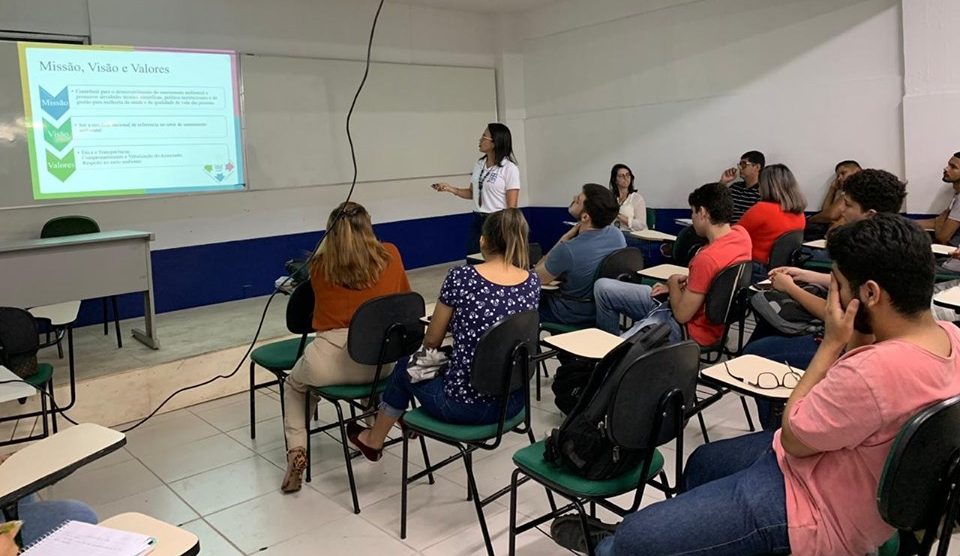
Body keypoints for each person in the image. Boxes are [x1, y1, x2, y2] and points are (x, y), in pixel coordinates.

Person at [553, 214, 960, 556]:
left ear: (870, 294)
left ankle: (618, 545)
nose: (832, 292)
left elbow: (795, 436)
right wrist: (857, 334)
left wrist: (832, 342)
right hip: (836, 471)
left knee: (633, 540)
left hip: (815, 509)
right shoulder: (951, 337)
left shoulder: (873, 371)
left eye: (836, 283)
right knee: (703, 462)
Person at [347, 209, 540, 459]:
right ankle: (398, 420)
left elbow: (432, 341)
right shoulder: (532, 281)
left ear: (483, 240)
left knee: (407, 366)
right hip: (513, 401)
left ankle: (374, 439)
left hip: (465, 407)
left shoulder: (461, 277)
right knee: (440, 361)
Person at [744, 169, 907, 428]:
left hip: (854, 345)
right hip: (874, 342)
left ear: (870, 215)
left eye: (848, 205)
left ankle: (777, 430)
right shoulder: (895, 244)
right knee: (769, 324)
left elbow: (839, 317)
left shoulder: (866, 256)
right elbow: (848, 285)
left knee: (755, 354)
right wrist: (807, 275)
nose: (841, 211)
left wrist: (791, 288)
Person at [280, 202, 411, 493]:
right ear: (369, 225)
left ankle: (297, 451)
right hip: (380, 361)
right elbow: (404, 299)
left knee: (295, 386)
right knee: (369, 377)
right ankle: (375, 424)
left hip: (330, 363)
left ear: (330, 232)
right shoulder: (391, 254)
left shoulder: (319, 266)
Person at [593, 182, 752, 344]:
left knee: (613, 351)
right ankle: (613, 341)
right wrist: (678, 287)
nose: (692, 218)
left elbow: (682, 315)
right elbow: (715, 280)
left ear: (703, 213)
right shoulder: (741, 236)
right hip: (685, 304)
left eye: (693, 212)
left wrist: (673, 282)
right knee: (602, 287)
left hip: (685, 328)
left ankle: (610, 351)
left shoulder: (707, 259)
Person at [536, 184, 625, 327]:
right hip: (605, 310)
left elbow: (537, 277)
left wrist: (563, 239)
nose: (573, 198)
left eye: (577, 200)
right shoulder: (617, 235)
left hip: (571, 314)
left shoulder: (568, 249)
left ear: (585, 217)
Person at [431, 123, 520, 254]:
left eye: (484, 136)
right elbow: (472, 193)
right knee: (474, 257)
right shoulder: (479, 164)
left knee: (495, 258)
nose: (480, 140)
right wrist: (451, 189)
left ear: (495, 142)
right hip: (478, 220)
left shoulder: (509, 168)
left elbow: (512, 207)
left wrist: (507, 230)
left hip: (497, 221)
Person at [736, 163, 807, 279]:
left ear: (765, 185)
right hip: (782, 271)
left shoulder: (762, 209)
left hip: (756, 268)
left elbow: (733, 236)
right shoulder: (800, 214)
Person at [805, 160, 862, 240]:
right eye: (838, 176)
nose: (839, 178)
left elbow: (831, 215)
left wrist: (810, 219)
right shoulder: (847, 192)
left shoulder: (857, 188)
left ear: (857, 171)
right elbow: (825, 211)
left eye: (843, 173)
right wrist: (832, 189)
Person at [718, 150, 766, 223]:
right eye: (740, 165)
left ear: (757, 167)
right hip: (725, 227)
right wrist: (723, 182)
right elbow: (715, 204)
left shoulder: (763, 192)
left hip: (746, 229)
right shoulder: (735, 187)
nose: (740, 168)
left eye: (744, 164)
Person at [609, 164, 647, 233]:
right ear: (615, 180)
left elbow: (641, 225)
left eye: (627, 175)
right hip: (613, 233)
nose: (625, 178)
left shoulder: (637, 198)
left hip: (632, 234)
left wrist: (619, 216)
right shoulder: (609, 197)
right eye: (621, 176)